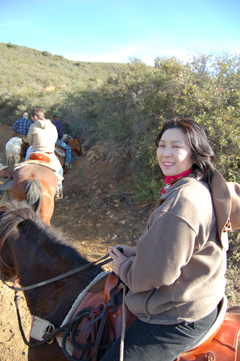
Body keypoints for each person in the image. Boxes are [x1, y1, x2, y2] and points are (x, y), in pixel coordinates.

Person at [103, 118, 239, 361]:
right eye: (162, 145)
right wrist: (136, 253)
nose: (166, 153)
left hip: (179, 314)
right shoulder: (201, 185)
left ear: (195, 153)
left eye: (177, 147)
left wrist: (122, 266)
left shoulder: (180, 203)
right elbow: (185, 248)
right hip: (205, 295)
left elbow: (151, 277)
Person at [25, 107, 64, 199]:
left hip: (35, 151)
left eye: (32, 117)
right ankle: (58, 189)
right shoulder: (52, 126)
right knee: (59, 170)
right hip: (49, 153)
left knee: (25, 164)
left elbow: (29, 141)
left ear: (35, 117)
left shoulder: (33, 126)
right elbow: (55, 139)